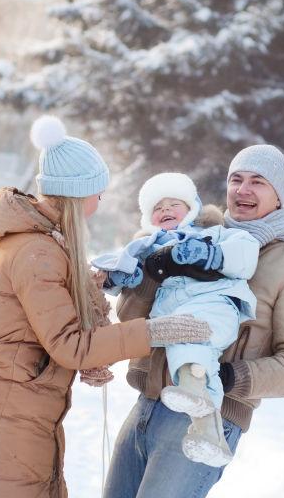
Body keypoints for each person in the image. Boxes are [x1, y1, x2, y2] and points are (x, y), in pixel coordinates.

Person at [0, 116, 214, 498]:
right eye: (99, 192)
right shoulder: (36, 251)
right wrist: (152, 332)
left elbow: (55, 333)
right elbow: (70, 345)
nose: (101, 200)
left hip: (29, 408)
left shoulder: (47, 243)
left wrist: (91, 330)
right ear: (78, 195)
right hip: (12, 413)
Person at [103, 145, 284, 498]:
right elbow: (130, 317)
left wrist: (228, 378)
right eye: (236, 179)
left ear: (279, 196)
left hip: (208, 419)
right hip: (147, 405)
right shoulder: (193, 236)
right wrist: (153, 269)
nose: (243, 190)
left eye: (258, 182)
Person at [91, 172, 260, 467]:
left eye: (174, 204)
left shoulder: (213, 234)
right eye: (157, 208)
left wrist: (212, 255)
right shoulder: (147, 247)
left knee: (193, 344)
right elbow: (121, 264)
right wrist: (117, 275)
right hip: (175, 318)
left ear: (192, 209)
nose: (165, 210)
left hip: (215, 304)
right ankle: (208, 431)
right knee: (190, 352)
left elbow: (245, 252)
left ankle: (196, 398)